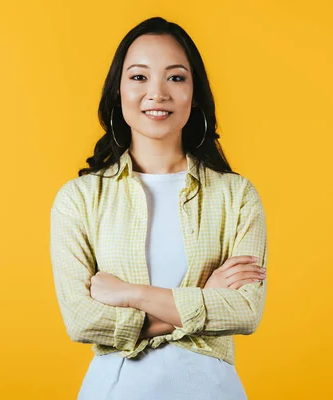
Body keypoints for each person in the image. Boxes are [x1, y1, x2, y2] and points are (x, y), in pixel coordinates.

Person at [50, 16, 268, 400]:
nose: (157, 93)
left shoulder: (236, 196)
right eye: (138, 77)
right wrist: (203, 299)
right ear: (118, 91)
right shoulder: (79, 199)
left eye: (176, 77)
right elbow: (82, 322)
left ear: (194, 92)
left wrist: (128, 293)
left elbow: (244, 311)